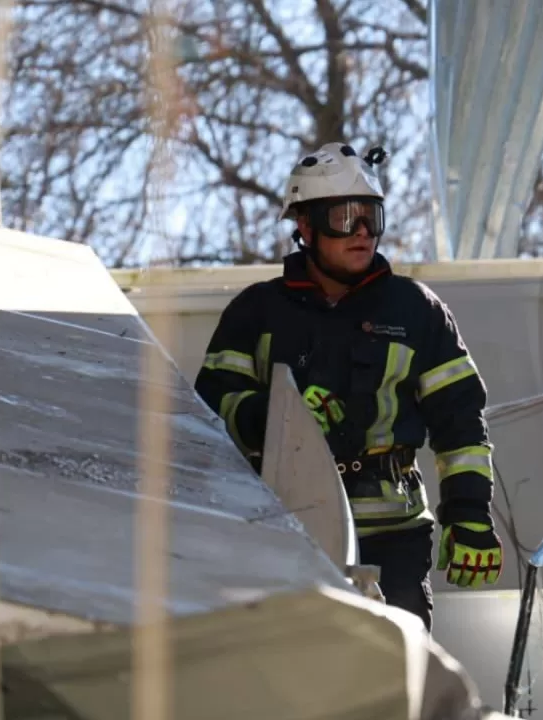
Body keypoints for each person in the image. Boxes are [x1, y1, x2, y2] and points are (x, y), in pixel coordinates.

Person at [193, 141, 503, 631]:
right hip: (283, 530)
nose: (361, 232)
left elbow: (461, 425)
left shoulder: (416, 311)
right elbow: (210, 411)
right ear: (305, 226)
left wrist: (468, 515)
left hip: (395, 538)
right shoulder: (255, 313)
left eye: (371, 217)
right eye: (344, 217)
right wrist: (279, 414)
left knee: (402, 678)